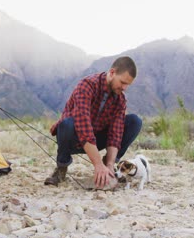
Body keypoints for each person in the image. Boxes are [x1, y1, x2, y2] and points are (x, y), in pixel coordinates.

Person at [45, 56, 142, 189]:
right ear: (112, 73)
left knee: (134, 121)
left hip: (97, 139)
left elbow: (116, 134)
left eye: (128, 85)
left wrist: (108, 165)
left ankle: (108, 166)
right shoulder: (87, 85)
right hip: (74, 137)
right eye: (122, 82)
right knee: (66, 124)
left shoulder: (120, 99)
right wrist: (97, 164)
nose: (124, 88)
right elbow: (83, 127)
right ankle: (61, 169)